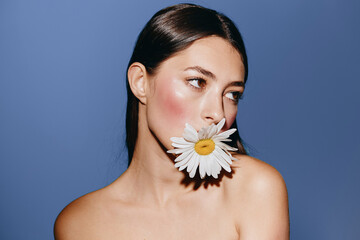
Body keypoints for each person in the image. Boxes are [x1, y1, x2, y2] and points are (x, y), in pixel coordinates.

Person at [54, 3, 289, 239]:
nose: (218, 113)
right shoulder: (81, 224)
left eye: (232, 94)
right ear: (140, 82)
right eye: (197, 82)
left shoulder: (255, 190)